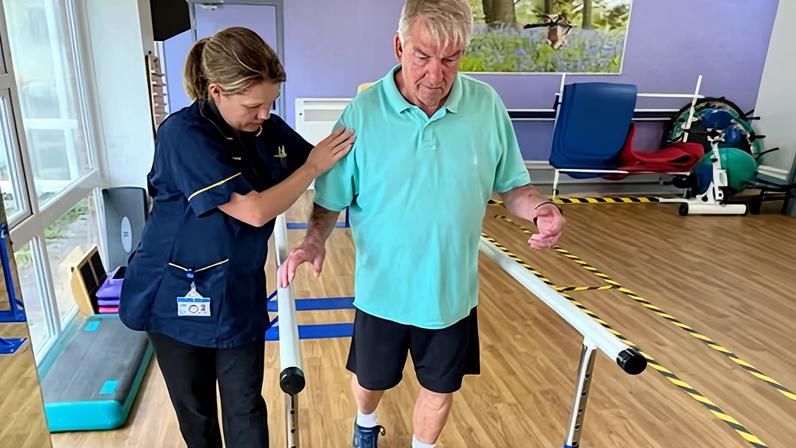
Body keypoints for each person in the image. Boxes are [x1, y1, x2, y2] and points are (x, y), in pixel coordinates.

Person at [277, 1, 566, 447]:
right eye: (423, 56)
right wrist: (314, 240)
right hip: (382, 292)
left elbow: (512, 188)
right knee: (369, 384)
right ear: (398, 46)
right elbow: (331, 197)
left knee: (440, 388)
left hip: (450, 294)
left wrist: (541, 209)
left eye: (450, 59)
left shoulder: (485, 106)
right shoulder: (363, 113)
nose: (436, 74)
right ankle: (366, 424)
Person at [119, 26, 354, 448]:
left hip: (236, 293)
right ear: (216, 92)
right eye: (253, 105)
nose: (265, 115)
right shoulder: (184, 134)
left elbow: (332, 167)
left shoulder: (269, 131)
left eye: (271, 103)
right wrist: (312, 168)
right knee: (198, 416)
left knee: (246, 408)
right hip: (174, 295)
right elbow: (255, 210)